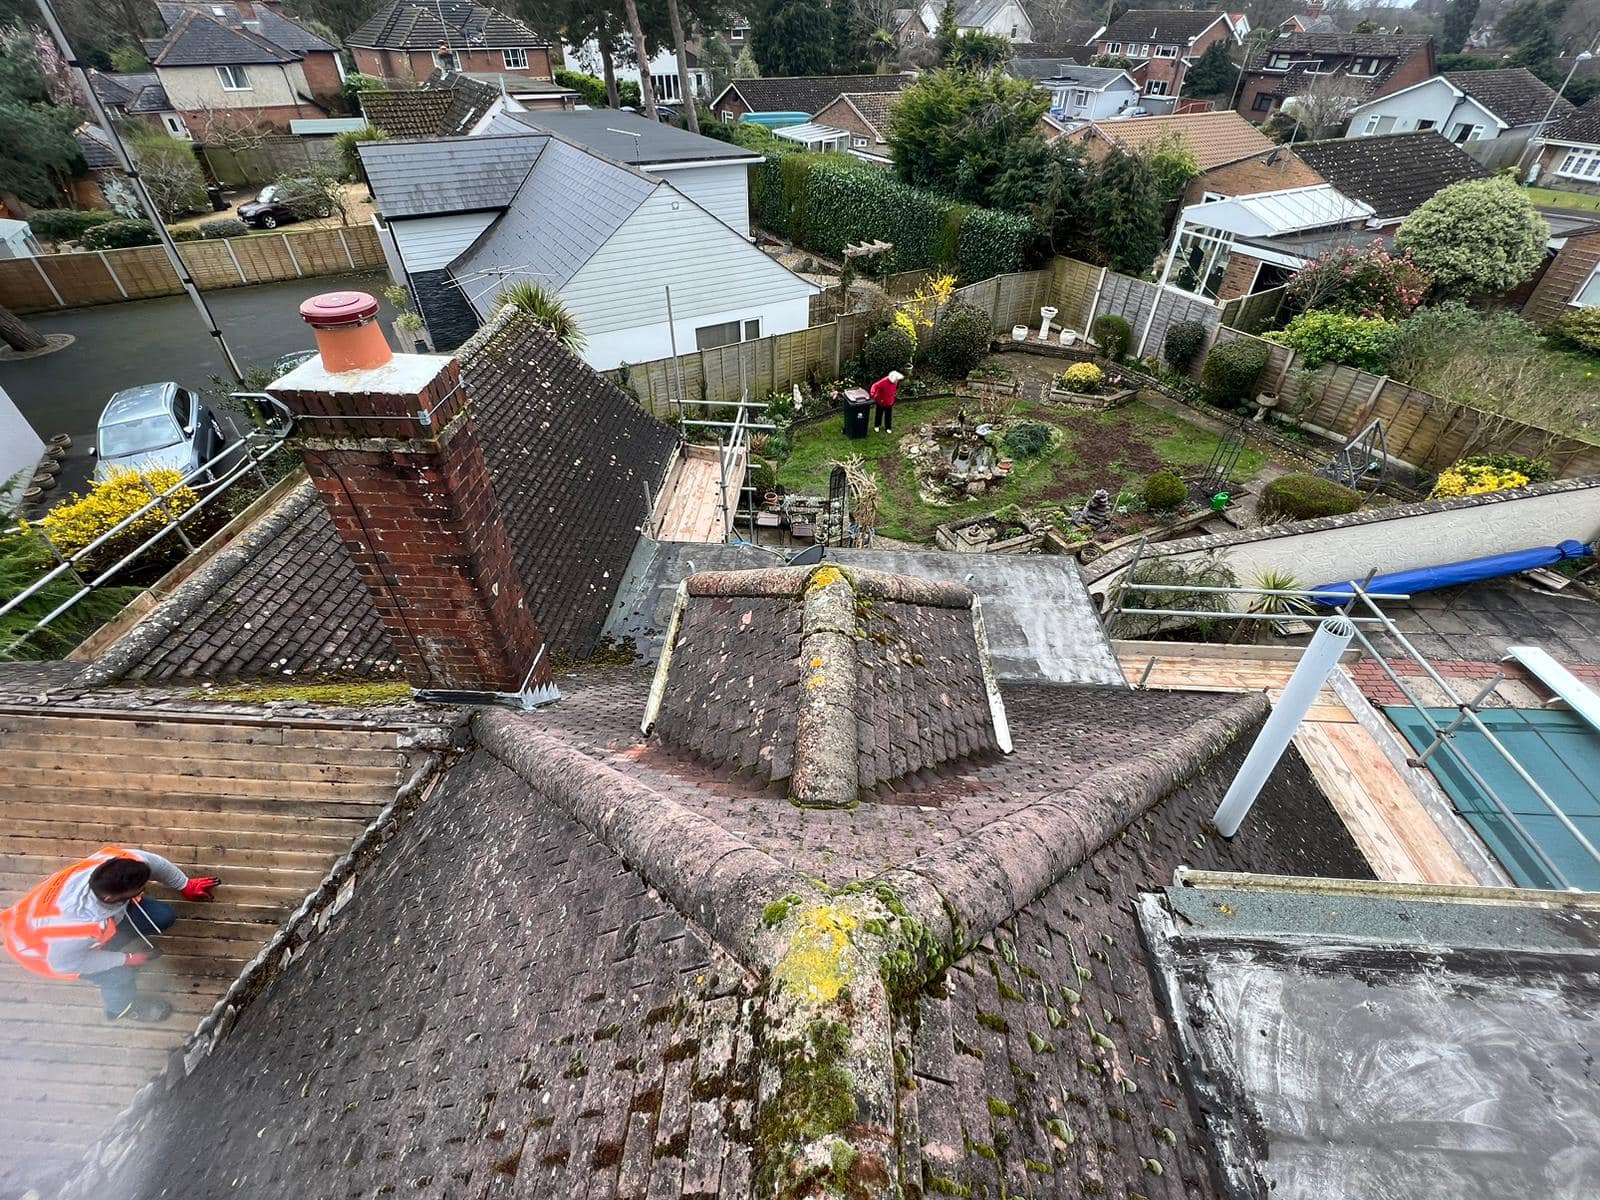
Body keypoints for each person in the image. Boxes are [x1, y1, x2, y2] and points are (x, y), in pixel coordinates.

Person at [0, 846, 220, 1022]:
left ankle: (112, 945)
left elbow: (153, 863)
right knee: (119, 976)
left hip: (99, 925)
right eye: (139, 890)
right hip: (46, 952)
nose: (143, 889)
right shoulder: (76, 928)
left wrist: (184, 884)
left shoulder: (112, 863)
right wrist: (127, 959)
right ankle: (122, 1008)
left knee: (162, 916)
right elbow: (65, 964)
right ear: (110, 899)